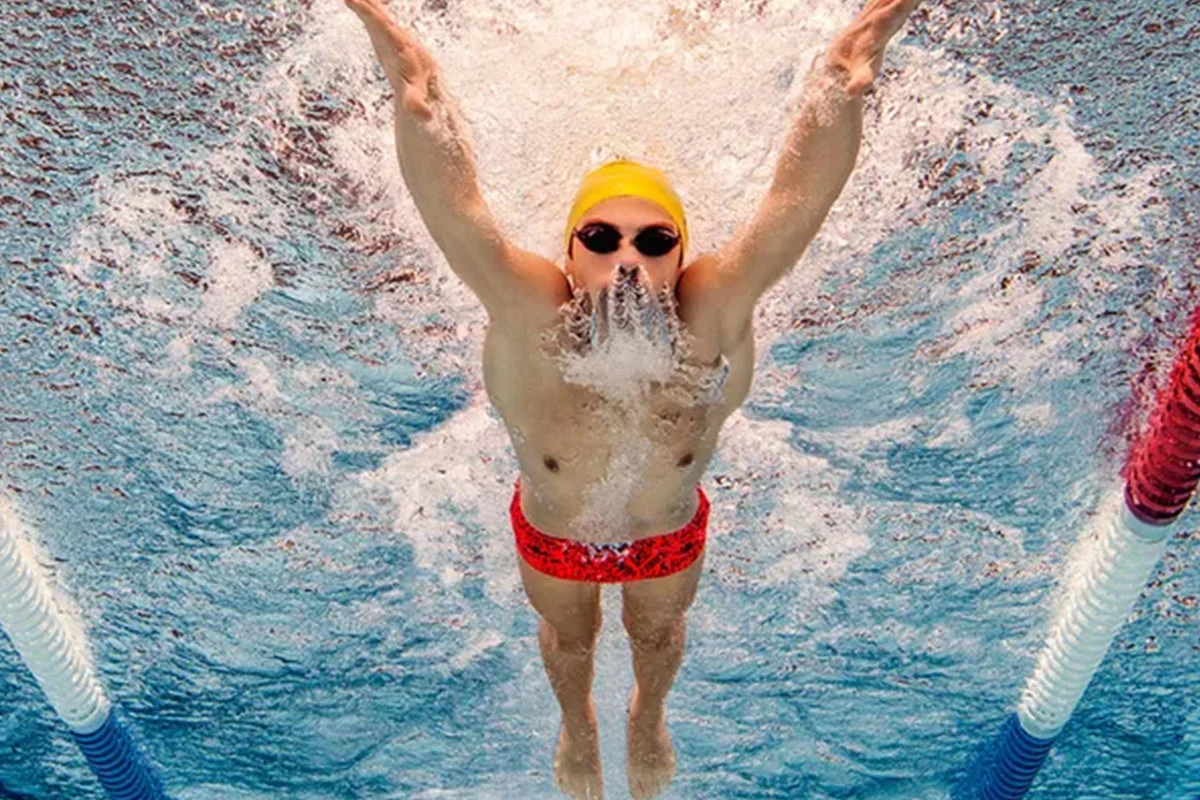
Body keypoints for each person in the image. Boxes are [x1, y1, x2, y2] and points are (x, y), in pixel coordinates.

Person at [345, 1, 921, 798]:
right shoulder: (532, 315)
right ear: (569, 254)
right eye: (601, 238)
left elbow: (795, 206)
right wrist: (417, 96)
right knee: (570, 640)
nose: (628, 260)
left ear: (681, 255)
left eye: (654, 241)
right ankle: (578, 724)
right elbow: (458, 217)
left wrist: (846, 73)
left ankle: (647, 715)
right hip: (555, 538)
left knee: (656, 635)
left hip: (666, 537)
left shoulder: (710, 314)